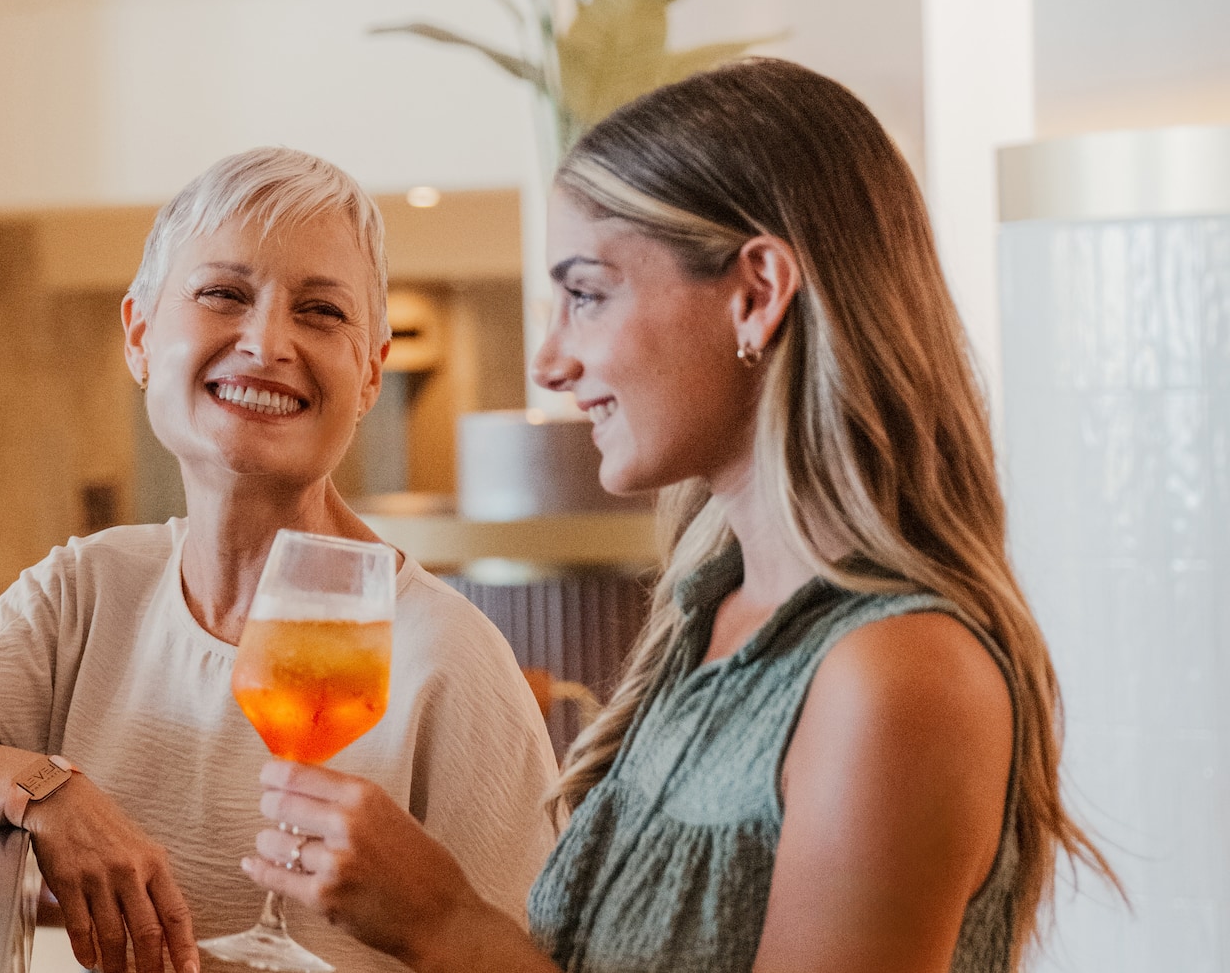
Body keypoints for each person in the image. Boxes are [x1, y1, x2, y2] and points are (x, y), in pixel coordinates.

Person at [240, 59, 1116, 973]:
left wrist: (443, 921)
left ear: (757, 292)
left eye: (586, 294)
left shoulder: (896, 674)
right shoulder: (710, 613)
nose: (549, 361)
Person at [0, 147, 559, 973]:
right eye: (224, 294)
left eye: (322, 312)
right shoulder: (89, 589)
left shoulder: (448, 659)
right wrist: (46, 790)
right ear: (140, 336)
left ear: (370, 373)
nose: (266, 342)